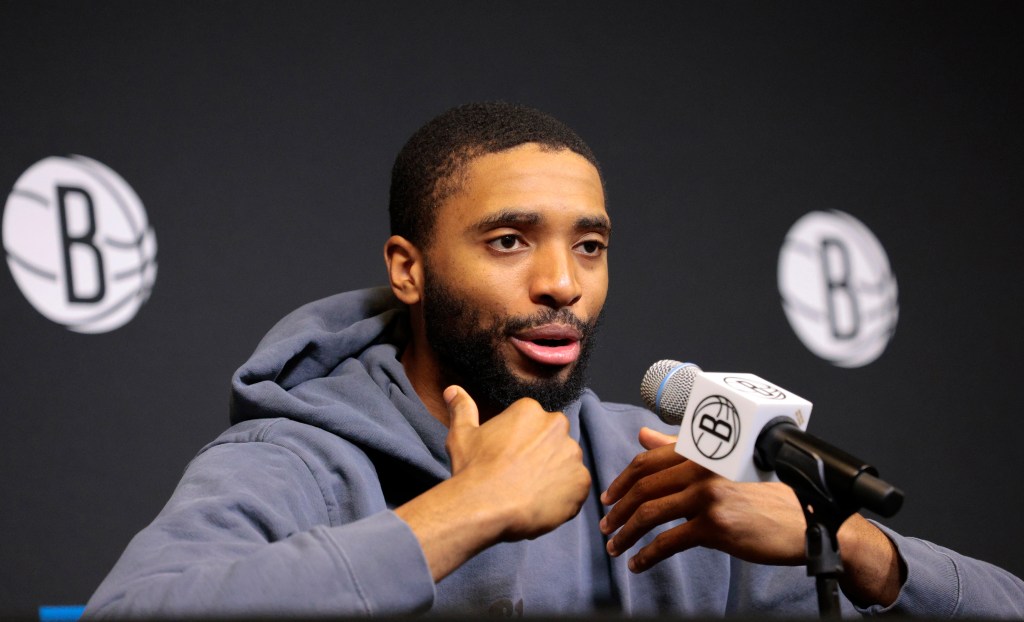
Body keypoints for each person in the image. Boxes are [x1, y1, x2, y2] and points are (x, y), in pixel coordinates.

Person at [84, 102, 1024, 618]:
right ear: (409, 270)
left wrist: (853, 550)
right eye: (507, 241)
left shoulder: (663, 474)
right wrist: (465, 512)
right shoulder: (299, 461)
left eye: (589, 246)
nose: (561, 285)